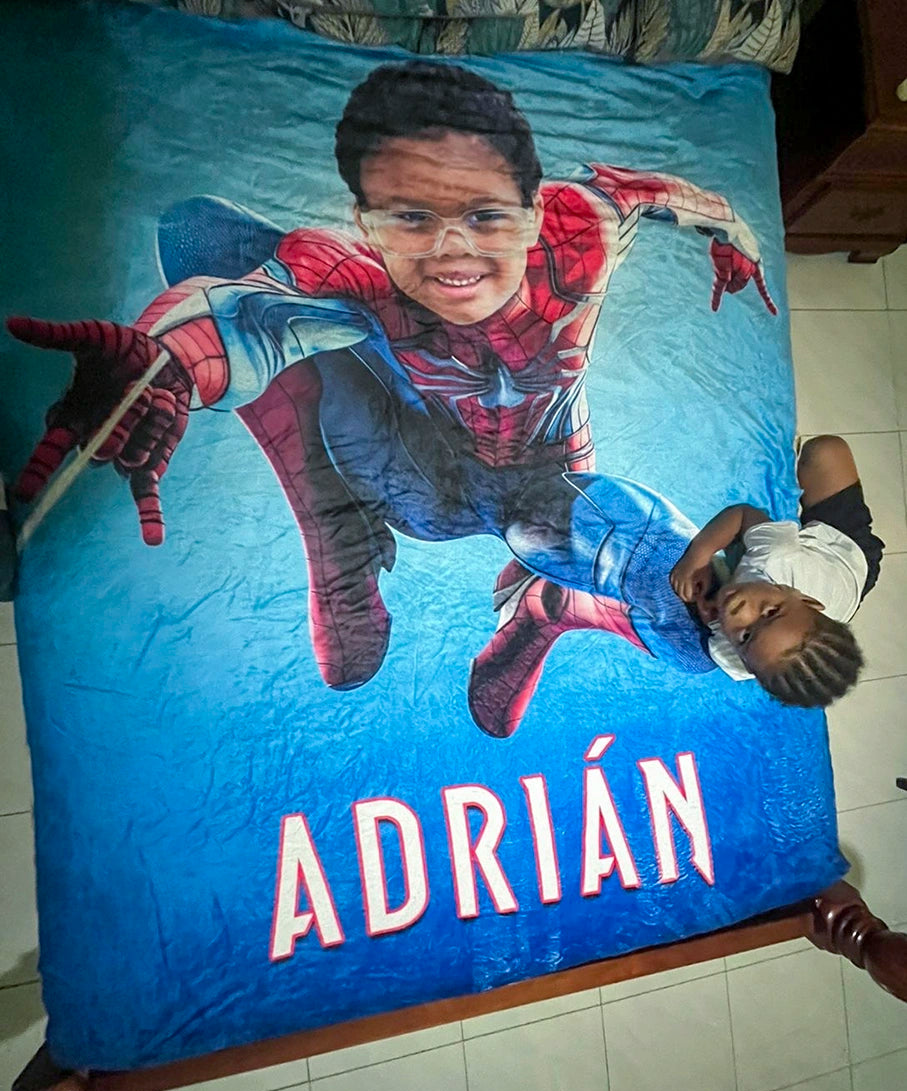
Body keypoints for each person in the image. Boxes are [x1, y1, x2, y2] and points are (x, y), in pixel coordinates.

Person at [8, 60, 776, 738]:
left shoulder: (585, 225)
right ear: (366, 223)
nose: (452, 250)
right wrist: (158, 367)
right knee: (202, 238)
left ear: (535, 205)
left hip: (553, 488)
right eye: (412, 218)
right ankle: (329, 508)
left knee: (689, 633)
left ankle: (546, 609)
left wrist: (734, 235)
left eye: (483, 213)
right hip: (418, 479)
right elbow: (239, 313)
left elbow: (660, 196)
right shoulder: (352, 273)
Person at [670, 435, 884, 707]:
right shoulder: (777, 557)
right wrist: (699, 555)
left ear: (748, 666)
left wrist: (707, 606)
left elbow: (712, 620)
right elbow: (743, 514)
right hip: (846, 552)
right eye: (771, 612)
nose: (739, 610)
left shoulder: (738, 660)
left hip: (838, 600)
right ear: (803, 598)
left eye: (745, 637)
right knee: (825, 450)